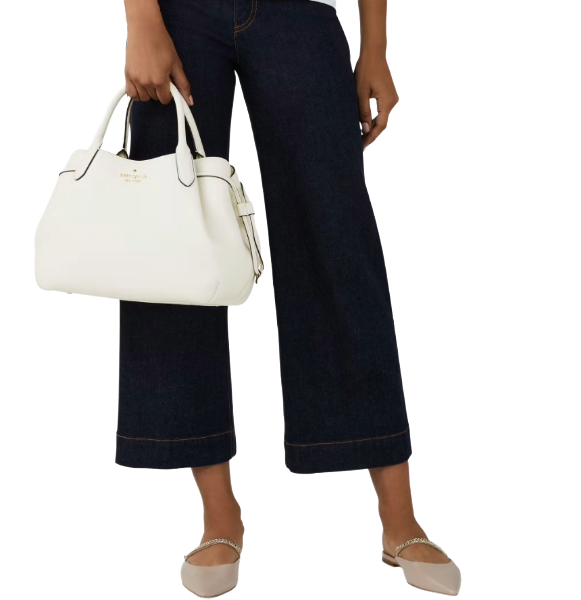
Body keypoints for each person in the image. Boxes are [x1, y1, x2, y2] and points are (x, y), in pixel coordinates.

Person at [117, 0, 461, 596]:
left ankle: (399, 517)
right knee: (173, 253)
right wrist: (141, 19)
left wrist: (375, 46)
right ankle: (220, 516)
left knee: (339, 243)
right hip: (179, 13)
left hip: (298, 15)